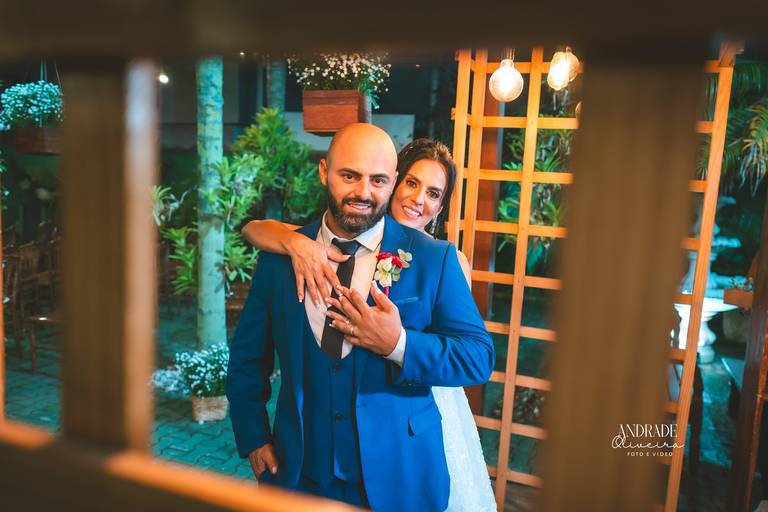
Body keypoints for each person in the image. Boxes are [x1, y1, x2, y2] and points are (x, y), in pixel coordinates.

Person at [226, 125, 495, 512]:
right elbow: (248, 359)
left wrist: (397, 344)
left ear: (392, 182)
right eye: (349, 176)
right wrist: (253, 436)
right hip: (298, 474)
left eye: (378, 180)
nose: (363, 193)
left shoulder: (435, 259)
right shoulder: (281, 256)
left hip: (401, 477)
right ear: (324, 172)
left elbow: (477, 357)